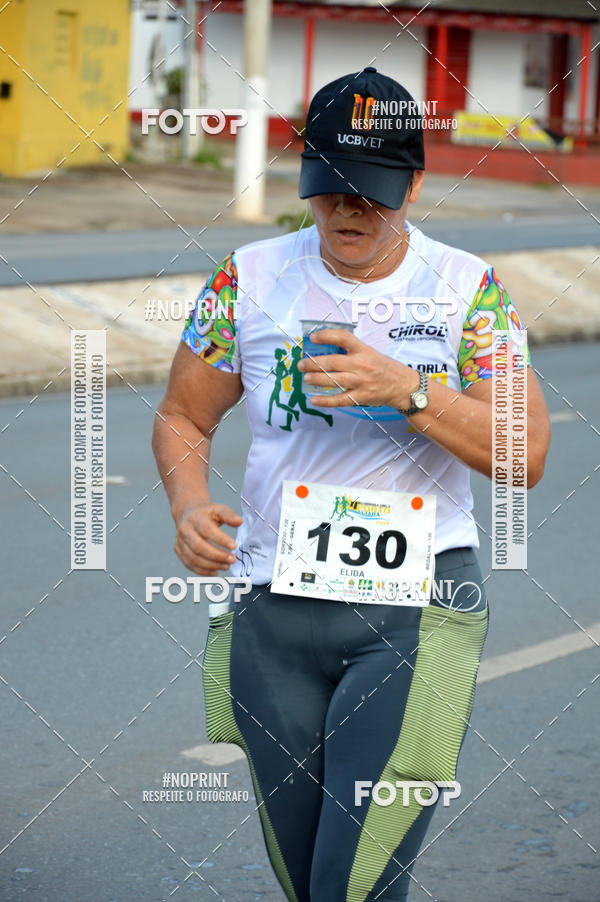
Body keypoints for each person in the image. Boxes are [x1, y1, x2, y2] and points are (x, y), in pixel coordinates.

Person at [152, 68, 551, 902]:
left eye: (371, 190)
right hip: (272, 614)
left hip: (417, 613)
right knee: (306, 882)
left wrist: (410, 391)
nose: (348, 209)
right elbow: (184, 419)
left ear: (411, 181)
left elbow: (526, 453)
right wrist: (189, 504)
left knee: (354, 882)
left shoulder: (468, 292)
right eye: (329, 187)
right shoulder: (248, 278)